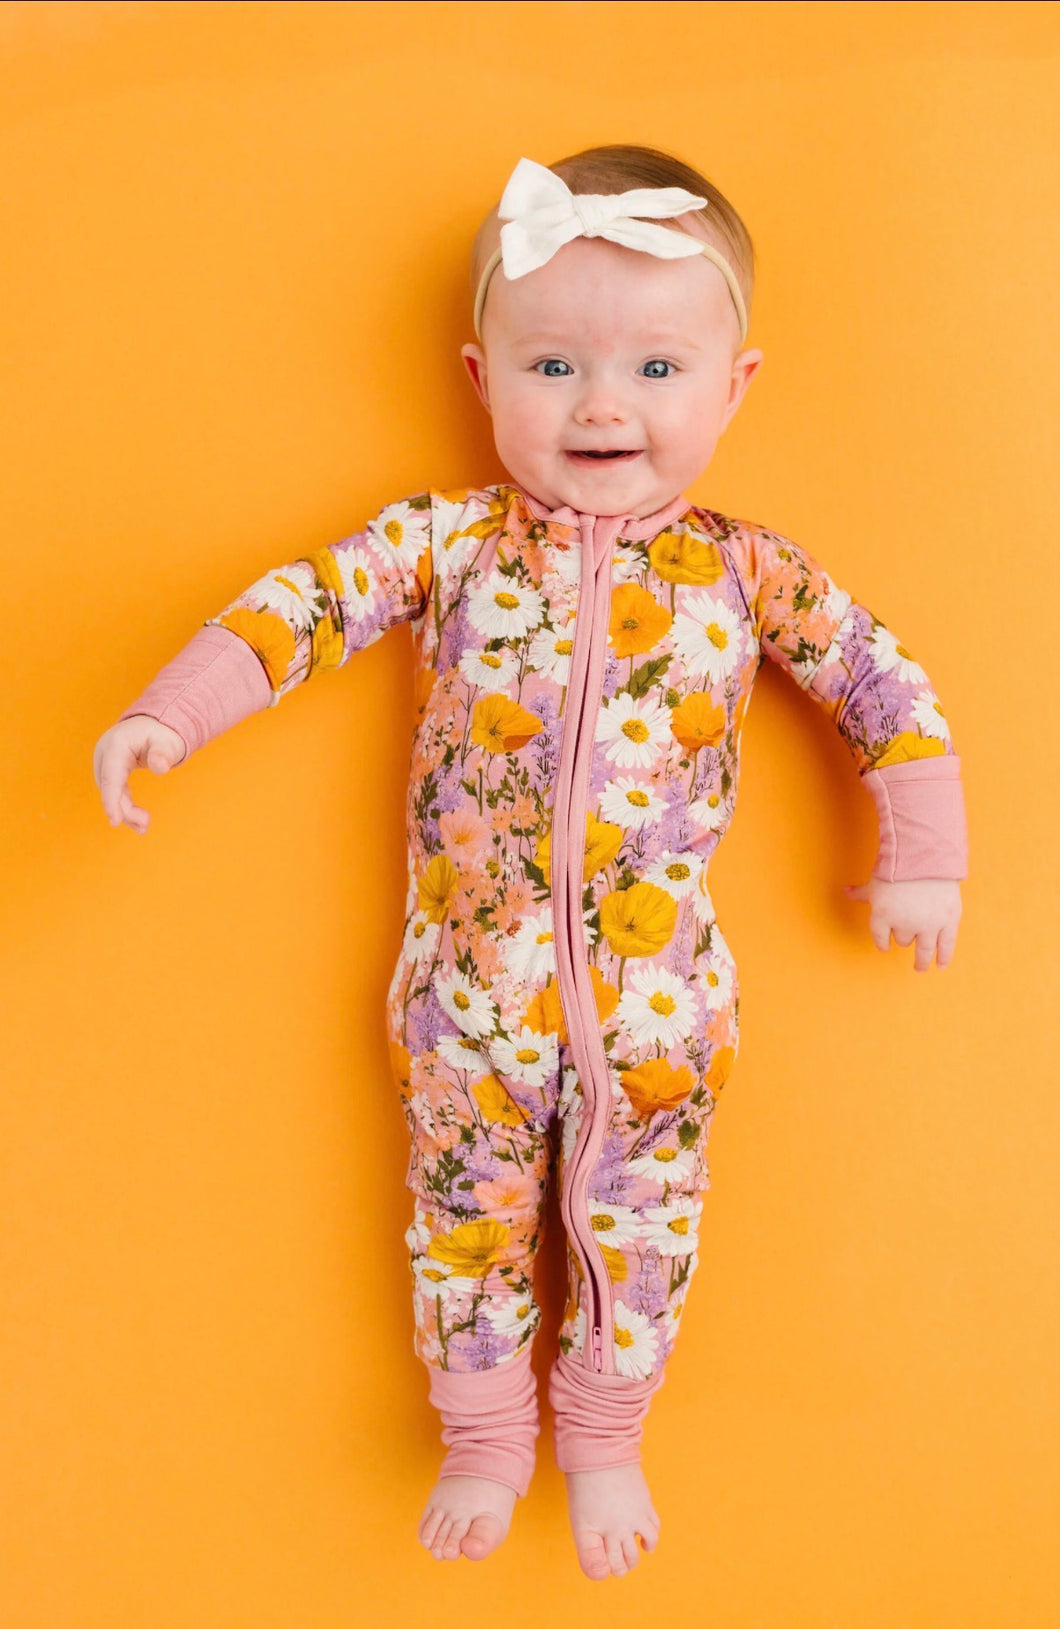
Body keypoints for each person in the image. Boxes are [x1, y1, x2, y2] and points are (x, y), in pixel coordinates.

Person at [92, 147, 967, 1580]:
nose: (603, 404)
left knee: (646, 1222)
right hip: (466, 1002)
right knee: (462, 1219)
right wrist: (165, 713)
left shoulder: (753, 574)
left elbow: (888, 690)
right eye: (552, 364)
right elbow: (304, 602)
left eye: (654, 369)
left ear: (735, 385)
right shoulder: (448, 544)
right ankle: (488, 1431)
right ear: (482, 373)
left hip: (662, 1011)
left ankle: (607, 1427)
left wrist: (925, 855)